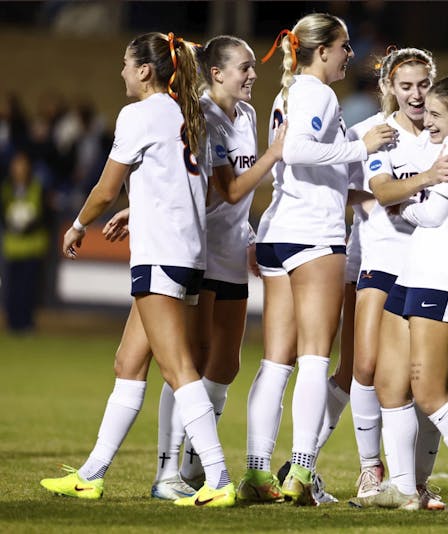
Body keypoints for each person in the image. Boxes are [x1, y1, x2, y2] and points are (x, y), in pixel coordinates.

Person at [39, 32, 236, 507]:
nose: (122, 72)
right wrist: (140, 210)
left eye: (127, 64)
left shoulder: (138, 114)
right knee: (128, 364)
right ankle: (92, 473)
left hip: (161, 258)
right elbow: (189, 188)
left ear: (146, 70)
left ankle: (219, 477)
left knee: (179, 370)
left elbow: (107, 188)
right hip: (187, 255)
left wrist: (79, 223)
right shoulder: (190, 113)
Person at [239, 13, 396, 506]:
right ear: (323, 50)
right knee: (312, 358)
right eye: (345, 46)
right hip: (311, 237)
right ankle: (301, 472)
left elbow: (306, 164)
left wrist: (362, 193)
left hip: (279, 232)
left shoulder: (290, 94)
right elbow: (298, 152)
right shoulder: (317, 92)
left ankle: (258, 472)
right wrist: (359, 145)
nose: (350, 54)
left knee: (276, 361)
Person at [352, 75, 448, 514]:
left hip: (442, 276)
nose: (429, 121)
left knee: (428, 392)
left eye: (437, 114)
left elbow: (435, 213)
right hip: (416, 272)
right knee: (389, 382)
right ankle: (403, 488)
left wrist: (404, 205)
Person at [145, 34, 286, 501]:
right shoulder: (202, 117)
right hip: (199, 252)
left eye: (253, 67)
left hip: (232, 250)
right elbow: (225, 190)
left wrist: (250, 235)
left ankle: (189, 465)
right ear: (217, 73)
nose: (252, 74)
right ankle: (169, 464)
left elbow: (238, 197)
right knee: (192, 360)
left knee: (225, 365)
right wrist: (275, 152)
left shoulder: (245, 116)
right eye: (244, 67)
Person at [1, 149, 51, 333]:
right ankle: (13, 324)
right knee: (12, 289)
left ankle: (27, 324)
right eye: (16, 165)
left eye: (22, 164)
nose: (19, 169)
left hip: (33, 247)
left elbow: (45, 215)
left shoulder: (37, 187)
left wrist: (29, 225)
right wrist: (11, 223)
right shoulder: (6, 188)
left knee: (28, 289)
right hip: (13, 247)